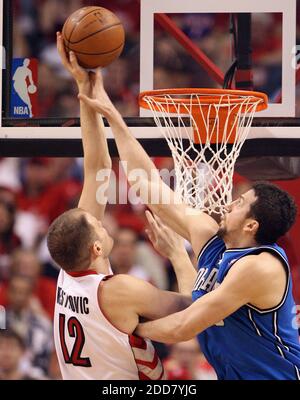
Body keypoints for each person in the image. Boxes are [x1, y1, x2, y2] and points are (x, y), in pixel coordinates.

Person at [79, 72, 300, 380]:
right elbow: (147, 184)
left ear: (251, 225)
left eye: (239, 203)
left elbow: (186, 326)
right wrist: (114, 117)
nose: (229, 203)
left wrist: (123, 327)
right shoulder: (210, 236)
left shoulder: (260, 267)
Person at [49, 32, 193, 381]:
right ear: (97, 246)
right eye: (100, 226)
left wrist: (84, 88)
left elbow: (97, 169)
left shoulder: (69, 274)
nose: (105, 221)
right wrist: (177, 255)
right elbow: (193, 314)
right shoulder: (119, 290)